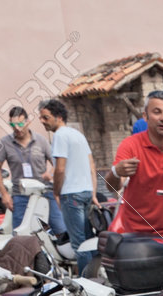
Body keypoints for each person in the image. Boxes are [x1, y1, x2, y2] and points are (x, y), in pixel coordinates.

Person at [105, 90, 163, 246]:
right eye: (157, 112)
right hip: (136, 232)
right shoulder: (130, 145)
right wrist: (116, 172)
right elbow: (112, 187)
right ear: (145, 116)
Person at [38, 99, 96, 273]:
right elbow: (92, 165)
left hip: (71, 194)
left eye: (46, 117)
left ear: (59, 117)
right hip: (85, 192)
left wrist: (56, 191)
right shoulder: (77, 134)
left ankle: (87, 283)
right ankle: (96, 276)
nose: (42, 121)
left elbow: (60, 168)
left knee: (79, 243)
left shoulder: (60, 136)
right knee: (89, 240)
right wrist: (92, 191)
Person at [0, 106, 65, 235]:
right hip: (20, 195)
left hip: (44, 192)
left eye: (20, 123)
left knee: (60, 228)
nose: (17, 128)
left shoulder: (41, 140)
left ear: (27, 122)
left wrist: (50, 173)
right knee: (20, 233)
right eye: (13, 124)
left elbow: (57, 162)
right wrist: (4, 194)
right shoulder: (5, 142)